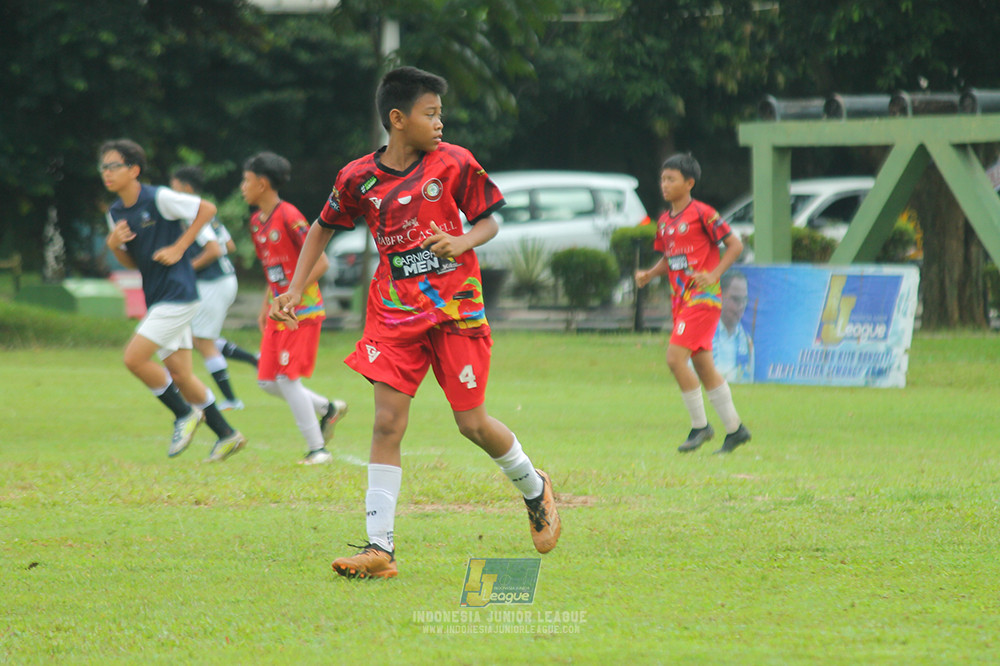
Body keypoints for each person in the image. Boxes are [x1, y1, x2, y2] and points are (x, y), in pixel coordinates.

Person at [271, 66, 561, 579]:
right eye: (431, 114)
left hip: (456, 311)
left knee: (471, 424)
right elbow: (320, 228)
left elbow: (491, 218)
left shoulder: (454, 163)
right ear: (398, 119)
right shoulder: (357, 176)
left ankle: (535, 488)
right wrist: (293, 290)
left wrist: (463, 241)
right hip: (393, 313)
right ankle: (380, 549)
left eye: (441, 114)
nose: (440, 123)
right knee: (386, 422)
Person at [101, 139, 246, 462]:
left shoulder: (159, 197)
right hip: (158, 296)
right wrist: (113, 245)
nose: (106, 173)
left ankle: (184, 414)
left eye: (113, 166)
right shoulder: (115, 212)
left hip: (178, 294)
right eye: (104, 167)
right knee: (180, 375)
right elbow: (132, 263)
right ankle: (227, 434)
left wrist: (180, 247)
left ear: (134, 170)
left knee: (134, 359)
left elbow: (206, 209)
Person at [635, 153, 751, 455]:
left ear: (689, 183)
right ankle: (736, 430)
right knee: (703, 365)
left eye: (671, 179)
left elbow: (735, 245)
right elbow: (670, 258)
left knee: (675, 359)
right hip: (681, 301)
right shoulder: (664, 221)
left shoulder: (703, 213)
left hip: (703, 298)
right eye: (663, 179)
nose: (665, 184)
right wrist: (650, 274)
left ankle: (701, 426)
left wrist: (713, 274)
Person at [240, 151, 348, 465]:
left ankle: (318, 450)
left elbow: (321, 261)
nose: (243, 188)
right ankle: (327, 408)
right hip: (278, 312)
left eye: (246, 181)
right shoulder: (257, 222)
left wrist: (292, 293)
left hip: (302, 312)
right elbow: (272, 269)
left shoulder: (289, 216)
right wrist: (265, 305)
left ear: (262, 184)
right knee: (267, 382)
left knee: (287, 380)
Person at [170, 165, 252, 411]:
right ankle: (253, 359)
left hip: (214, 283)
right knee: (200, 337)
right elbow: (228, 244)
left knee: (202, 340)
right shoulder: (204, 210)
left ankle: (231, 399)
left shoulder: (192, 211)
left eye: (173, 185)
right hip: (222, 280)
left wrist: (187, 267)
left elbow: (215, 249)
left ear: (185, 187)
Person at [712, 270, 754, 383]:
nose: (741, 306)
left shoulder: (746, 341)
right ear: (720, 296)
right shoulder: (703, 335)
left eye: (744, 300)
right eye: (735, 300)